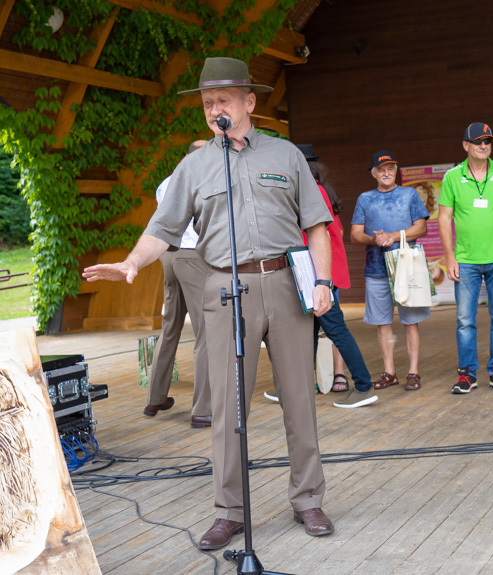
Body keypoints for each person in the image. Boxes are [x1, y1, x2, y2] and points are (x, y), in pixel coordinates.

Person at [83, 57, 336, 549]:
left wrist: (322, 281)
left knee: (299, 400)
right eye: (206, 103)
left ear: (249, 102)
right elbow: (163, 227)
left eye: (222, 100)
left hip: (285, 285)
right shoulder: (195, 164)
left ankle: (308, 500)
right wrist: (134, 262)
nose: (213, 109)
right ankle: (229, 511)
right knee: (227, 406)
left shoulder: (285, 156)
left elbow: (317, 225)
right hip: (224, 289)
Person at [263, 144, 378, 407]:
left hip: (318, 276)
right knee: (311, 332)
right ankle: (295, 388)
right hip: (322, 274)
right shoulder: (322, 189)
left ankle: (363, 386)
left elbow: (312, 236)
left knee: (337, 330)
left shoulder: (311, 192)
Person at [438, 122, 493, 394]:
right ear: (466, 146)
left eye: (487, 141)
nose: (483, 145)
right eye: (477, 141)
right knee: (465, 319)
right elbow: (443, 217)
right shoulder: (452, 176)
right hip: (465, 260)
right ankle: (467, 374)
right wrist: (449, 257)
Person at [144, 140, 212, 428]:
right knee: (206, 330)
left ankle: (154, 397)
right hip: (193, 256)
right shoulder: (203, 178)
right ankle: (204, 409)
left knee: (170, 327)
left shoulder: (166, 182)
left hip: (169, 256)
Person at [350, 150, 430, 391]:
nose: (386, 173)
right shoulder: (365, 198)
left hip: (407, 267)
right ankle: (390, 372)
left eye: (391, 169)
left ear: (396, 171)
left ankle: (413, 372)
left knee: (411, 321)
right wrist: (375, 240)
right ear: (374, 173)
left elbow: (422, 228)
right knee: (382, 322)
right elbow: (355, 235)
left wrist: (392, 236)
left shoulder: (409, 194)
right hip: (376, 268)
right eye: (381, 169)